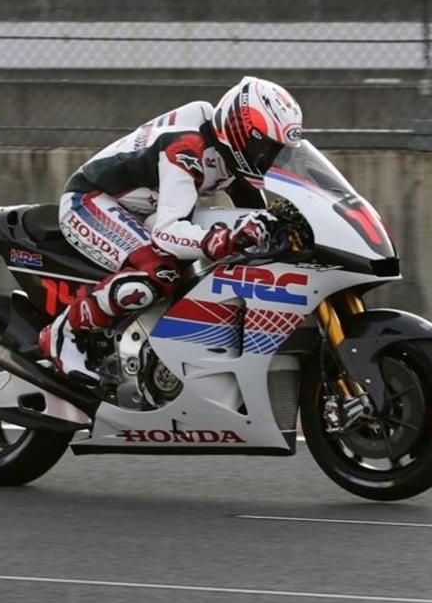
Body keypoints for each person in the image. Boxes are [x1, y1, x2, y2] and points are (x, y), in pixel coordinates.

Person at [39, 76, 304, 381]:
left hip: (142, 210)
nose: (270, 158)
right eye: (266, 147)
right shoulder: (188, 147)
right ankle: (62, 335)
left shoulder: (229, 150)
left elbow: (259, 213)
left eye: (278, 151)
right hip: (91, 201)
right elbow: (167, 234)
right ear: (241, 130)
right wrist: (223, 239)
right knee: (160, 271)